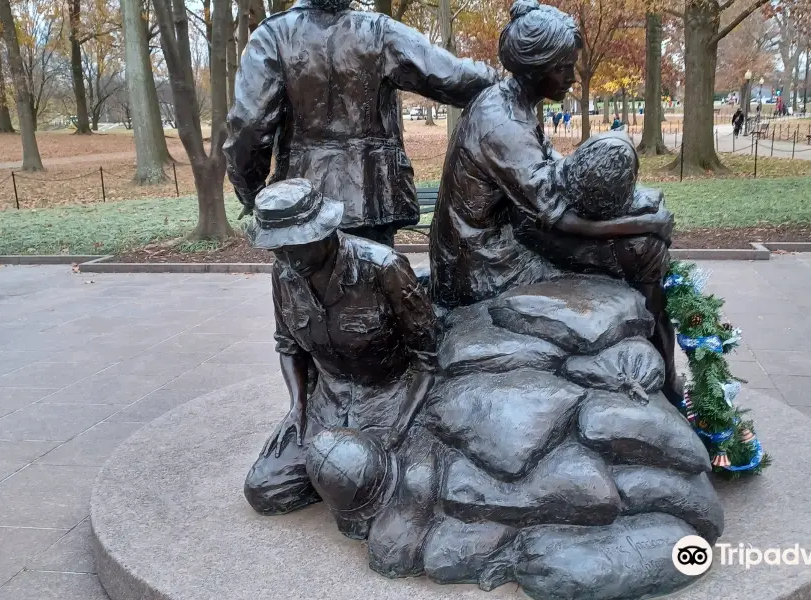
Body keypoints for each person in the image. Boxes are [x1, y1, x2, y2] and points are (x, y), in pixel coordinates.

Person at [428, 0, 680, 402]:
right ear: (534, 69)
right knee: (642, 247)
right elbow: (561, 219)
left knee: (643, 214)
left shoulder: (516, 101)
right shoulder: (502, 123)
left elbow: (546, 173)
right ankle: (662, 377)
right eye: (563, 68)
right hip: (485, 264)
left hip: (514, 231)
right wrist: (647, 225)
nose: (571, 77)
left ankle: (659, 364)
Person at [224, 0, 498, 247]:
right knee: (373, 292)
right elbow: (454, 76)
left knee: (303, 297)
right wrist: (513, 75)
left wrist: (252, 192)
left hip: (301, 207)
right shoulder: (378, 32)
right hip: (371, 199)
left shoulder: (271, 35)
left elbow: (248, 126)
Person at [243, 178, 438, 521]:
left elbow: (427, 359)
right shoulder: (285, 273)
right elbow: (288, 345)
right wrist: (296, 407)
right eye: (277, 249)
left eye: (296, 245)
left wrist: (401, 430)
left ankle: (362, 476)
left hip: (387, 402)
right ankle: (331, 473)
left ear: (323, 232)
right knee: (265, 490)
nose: (288, 259)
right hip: (327, 403)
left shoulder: (383, 267)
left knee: (372, 498)